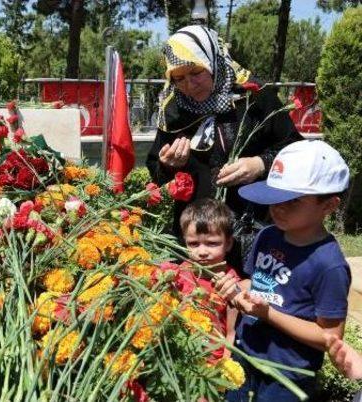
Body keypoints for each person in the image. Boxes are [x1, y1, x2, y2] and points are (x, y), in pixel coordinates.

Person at [145, 25, 303, 269]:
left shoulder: (256, 98)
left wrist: (260, 164)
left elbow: (296, 149)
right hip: (196, 238)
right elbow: (155, 168)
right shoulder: (174, 110)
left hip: (248, 228)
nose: (189, 84)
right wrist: (167, 165)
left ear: (213, 61)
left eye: (195, 72)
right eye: (179, 78)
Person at [213, 140, 351, 401]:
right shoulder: (268, 235)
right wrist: (234, 287)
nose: (277, 207)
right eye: (274, 195)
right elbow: (258, 284)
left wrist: (268, 314)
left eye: (293, 201)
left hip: (287, 374)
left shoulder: (329, 265)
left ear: (329, 206)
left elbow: (329, 337)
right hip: (246, 352)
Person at [179, 198, 239, 361]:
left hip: (212, 361)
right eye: (193, 244)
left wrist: (224, 364)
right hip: (180, 354)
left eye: (212, 243)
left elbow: (231, 332)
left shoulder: (230, 282)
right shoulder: (180, 272)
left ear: (228, 244)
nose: (202, 251)